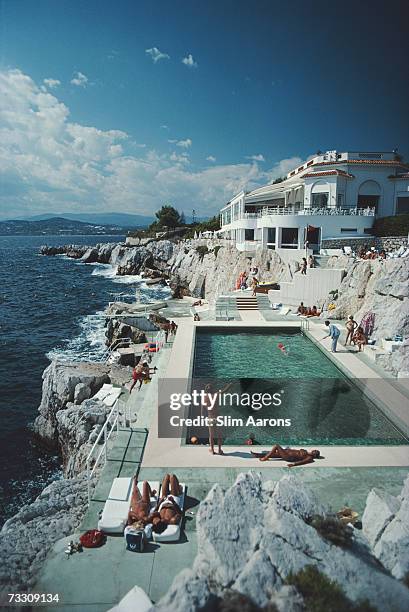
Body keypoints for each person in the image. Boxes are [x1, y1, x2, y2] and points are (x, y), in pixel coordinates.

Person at [202, 381, 232, 455]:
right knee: (219, 435)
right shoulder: (216, 395)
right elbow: (224, 391)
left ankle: (212, 450)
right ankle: (219, 450)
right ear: (213, 389)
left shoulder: (204, 397)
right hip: (217, 417)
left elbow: (202, 409)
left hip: (210, 417)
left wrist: (202, 416)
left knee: (211, 436)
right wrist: (229, 385)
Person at [251, 444, 321, 467]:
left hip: (288, 457)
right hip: (287, 452)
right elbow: (299, 450)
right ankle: (257, 455)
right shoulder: (307, 452)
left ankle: (265, 458)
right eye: (315, 450)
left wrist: (293, 464)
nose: (314, 451)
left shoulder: (309, 458)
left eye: (315, 452)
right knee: (273, 453)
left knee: (276, 446)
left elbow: (303, 462)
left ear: (315, 455)